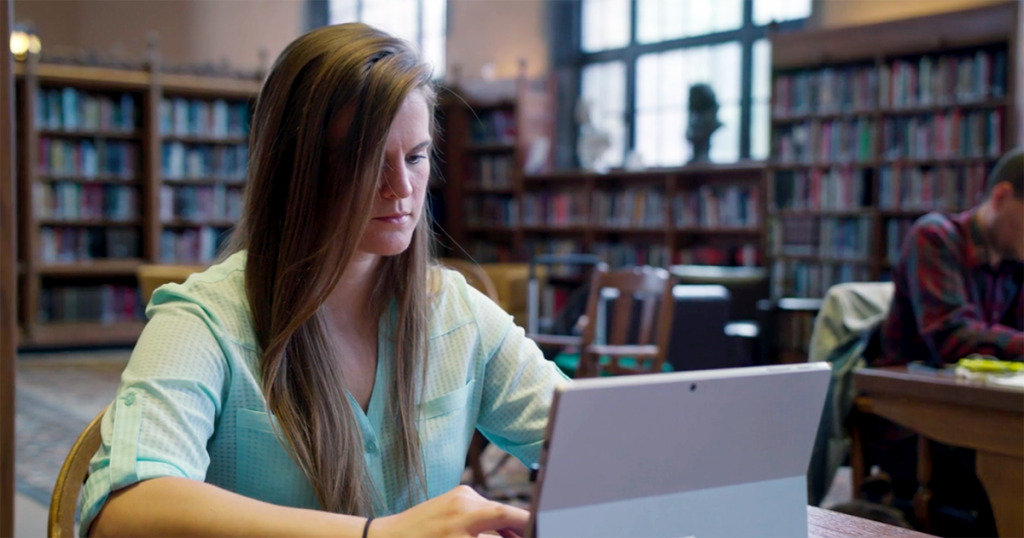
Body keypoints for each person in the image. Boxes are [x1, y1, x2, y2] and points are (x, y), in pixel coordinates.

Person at [83, 23, 568, 538]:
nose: (401, 188)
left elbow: (594, 447)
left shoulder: (457, 311)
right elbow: (122, 514)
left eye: (416, 156)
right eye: (366, 160)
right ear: (296, 168)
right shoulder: (205, 320)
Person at [880, 148, 1024, 366]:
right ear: (1001, 196)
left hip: (971, 391)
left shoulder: (1014, 259)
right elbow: (951, 338)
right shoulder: (935, 237)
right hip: (902, 391)